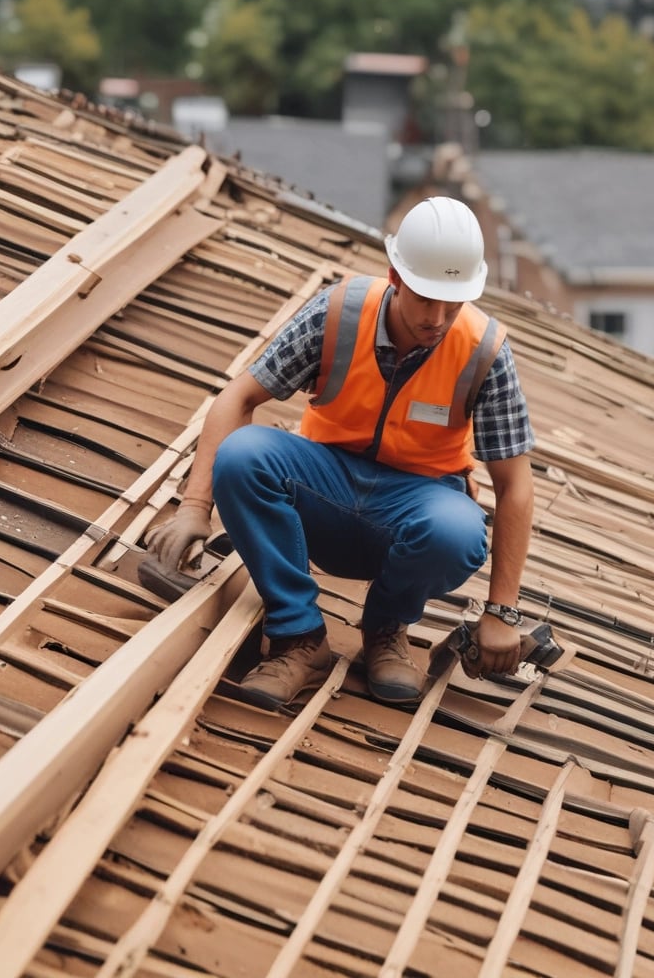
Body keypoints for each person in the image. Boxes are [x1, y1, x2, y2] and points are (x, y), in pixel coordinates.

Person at [147, 196, 535, 711]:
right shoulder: (338, 313)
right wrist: (195, 507)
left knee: (459, 531)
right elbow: (237, 398)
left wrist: (501, 612)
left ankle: (386, 629)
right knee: (243, 454)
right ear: (395, 275)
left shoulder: (485, 349)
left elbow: (515, 486)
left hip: (413, 516)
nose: (439, 318)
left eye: (454, 302)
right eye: (426, 298)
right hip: (321, 496)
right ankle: (298, 637)